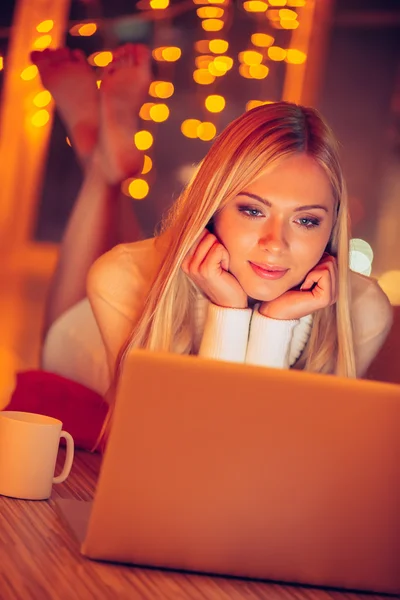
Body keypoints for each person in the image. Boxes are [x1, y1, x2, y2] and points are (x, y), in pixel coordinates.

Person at [39, 45, 393, 414]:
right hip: (83, 347)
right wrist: (227, 311)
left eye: (306, 220)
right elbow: (163, 446)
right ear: (213, 209)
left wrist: (275, 321)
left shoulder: (362, 309)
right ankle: (100, 168)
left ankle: (101, 159)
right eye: (252, 211)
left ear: (332, 224)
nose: (276, 244)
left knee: (147, 261)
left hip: (148, 276)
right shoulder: (117, 277)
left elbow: (255, 449)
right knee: (130, 272)